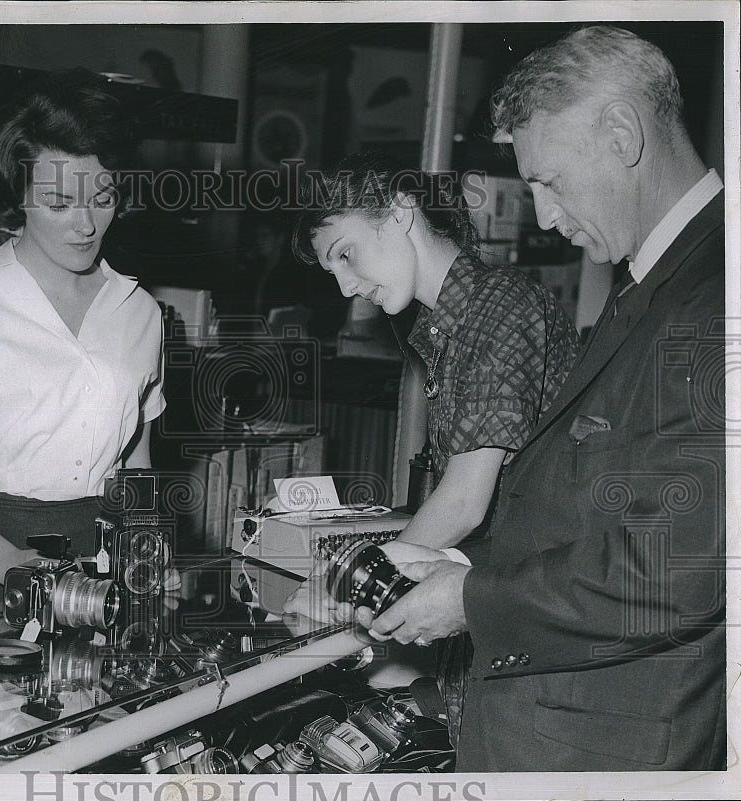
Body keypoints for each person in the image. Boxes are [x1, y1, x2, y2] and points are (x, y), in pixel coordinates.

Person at [351, 26, 726, 771]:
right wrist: (458, 566)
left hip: (606, 748)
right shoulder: (653, 281)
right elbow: (581, 508)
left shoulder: (715, 292)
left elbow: (669, 571)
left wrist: (470, 599)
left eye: (552, 180)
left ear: (622, 133)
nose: (547, 217)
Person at [285, 153, 581, 745]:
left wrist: (342, 584)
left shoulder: (500, 309)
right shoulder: (447, 326)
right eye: (332, 271)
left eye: (345, 254)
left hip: (543, 627)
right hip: (506, 616)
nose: (346, 285)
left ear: (399, 212)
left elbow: (468, 500)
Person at [0, 69, 166, 617]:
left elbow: (136, 459)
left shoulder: (141, 312)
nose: (86, 225)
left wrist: (146, 551)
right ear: (18, 197)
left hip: (101, 568)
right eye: (59, 203)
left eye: (103, 198)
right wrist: (5, 561)